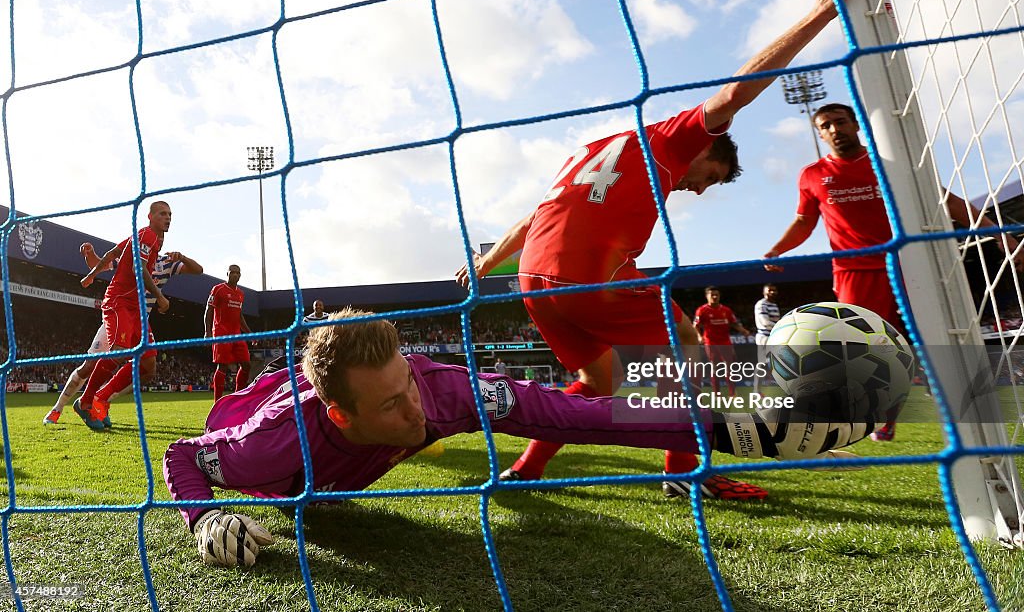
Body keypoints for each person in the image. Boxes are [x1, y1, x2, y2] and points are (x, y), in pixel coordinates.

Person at [455, 0, 863, 501]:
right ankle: (685, 472)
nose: (698, 188)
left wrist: (486, 261)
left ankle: (526, 469)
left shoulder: (598, 149)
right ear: (708, 149)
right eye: (711, 177)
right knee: (690, 344)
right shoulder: (673, 138)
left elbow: (537, 214)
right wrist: (821, 14)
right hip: (587, 278)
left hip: (533, 281)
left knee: (600, 383)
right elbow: (734, 93)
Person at [163, 308, 868, 568]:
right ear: (341, 413)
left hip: (337, 468)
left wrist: (742, 427)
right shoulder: (271, 443)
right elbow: (183, 454)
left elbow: (594, 416)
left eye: (408, 382)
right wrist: (206, 517)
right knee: (286, 489)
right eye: (390, 402)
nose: (415, 412)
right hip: (257, 441)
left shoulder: (447, 394)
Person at [763, 102, 1022, 440]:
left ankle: (954, 404)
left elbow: (945, 199)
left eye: (840, 122)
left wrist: (995, 232)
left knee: (932, 337)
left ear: (856, 124)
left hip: (910, 262)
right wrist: (778, 248)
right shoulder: (812, 175)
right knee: (861, 347)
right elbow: (803, 221)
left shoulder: (889, 163)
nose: (833, 130)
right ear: (819, 133)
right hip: (854, 271)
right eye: (825, 126)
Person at [44, 242, 202, 426]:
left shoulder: (165, 263)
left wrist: (181, 257)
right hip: (120, 317)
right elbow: (99, 263)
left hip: (141, 321)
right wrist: (90, 254)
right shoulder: (132, 258)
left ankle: (100, 401)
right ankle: (57, 409)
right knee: (89, 366)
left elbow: (198, 270)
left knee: (148, 368)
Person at [73, 201, 172, 431]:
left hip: (135, 306)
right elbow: (139, 268)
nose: (167, 217)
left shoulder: (144, 237)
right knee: (118, 350)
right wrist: (159, 296)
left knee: (148, 364)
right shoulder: (147, 235)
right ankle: (85, 402)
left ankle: (100, 399)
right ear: (150, 216)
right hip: (119, 302)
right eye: (162, 214)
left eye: (169, 214)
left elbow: (112, 253)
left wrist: (91, 275)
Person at [692, 286, 750, 397]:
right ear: (707, 296)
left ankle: (732, 394)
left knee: (729, 368)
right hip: (711, 342)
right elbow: (695, 326)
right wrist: (700, 337)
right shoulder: (702, 310)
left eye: (716, 295)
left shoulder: (726, 310)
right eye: (712, 295)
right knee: (715, 367)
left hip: (725, 342)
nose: (714, 297)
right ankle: (716, 394)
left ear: (719, 296)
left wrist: (743, 331)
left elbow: (734, 323)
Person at [205, 265, 252, 400]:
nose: (235, 275)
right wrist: (207, 331)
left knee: (246, 364)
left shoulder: (241, 294)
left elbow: (239, 315)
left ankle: (237, 397)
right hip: (221, 332)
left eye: (238, 273)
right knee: (223, 366)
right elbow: (209, 310)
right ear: (227, 274)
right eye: (232, 272)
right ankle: (217, 402)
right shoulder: (218, 289)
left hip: (237, 334)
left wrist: (249, 333)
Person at [752, 284, 781, 394]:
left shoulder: (773, 304)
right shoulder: (761, 304)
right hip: (764, 337)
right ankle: (756, 391)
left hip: (773, 336)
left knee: (776, 361)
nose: (772, 292)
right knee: (762, 363)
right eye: (769, 290)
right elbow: (765, 322)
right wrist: (781, 325)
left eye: (774, 290)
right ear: (764, 292)